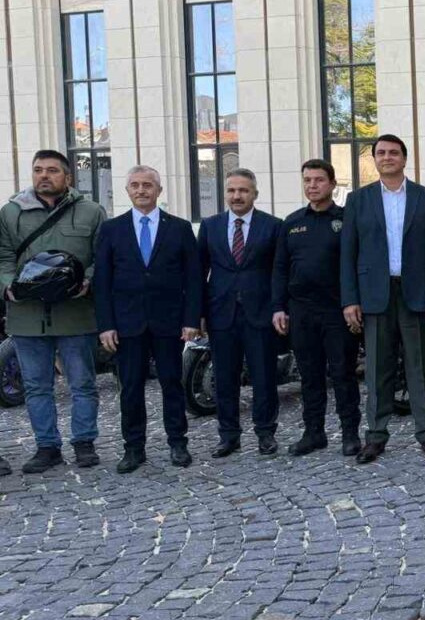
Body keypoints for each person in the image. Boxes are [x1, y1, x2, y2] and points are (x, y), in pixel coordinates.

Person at [340, 134, 425, 463]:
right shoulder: (358, 200)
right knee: (377, 369)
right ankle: (375, 435)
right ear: (374, 159)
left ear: (404, 158)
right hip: (374, 294)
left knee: (421, 368)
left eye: (393, 153)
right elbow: (348, 253)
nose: (387, 157)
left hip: (416, 293)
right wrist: (350, 300)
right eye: (381, 153)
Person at [0, 150, 107, 474]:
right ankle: (47, 447)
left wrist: (88, 281)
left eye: (52, 171)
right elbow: (3, 257)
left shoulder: (92, 212)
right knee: (36, 386)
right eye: (38, 170)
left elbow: (102, 258)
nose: (44, 176)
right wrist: (7, 286)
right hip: (27, 316)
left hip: (75, 313)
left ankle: (84, 443)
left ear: (68, 177)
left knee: (83, 383)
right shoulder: (11, 213)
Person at [93, 166, 198, 473]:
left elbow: (193, 279)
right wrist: (106, 325)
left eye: (148, 185)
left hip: (169, 322)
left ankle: (178, 443)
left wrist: (191, 318)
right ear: (127, 191)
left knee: (171, 384)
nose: (141, 190)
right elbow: (102, 281)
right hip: (127, 323)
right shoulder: (112, 229)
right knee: (131, 387)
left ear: (158, 190)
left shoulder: (178, 228)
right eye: (135, 185)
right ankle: (133, 448)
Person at [271, 159, 362, 458]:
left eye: (319, 180)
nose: (312, 186)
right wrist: (279, 307)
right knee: (309, 376)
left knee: (343, 374)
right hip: (301, 311)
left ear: (332, 184)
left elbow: (358, 265)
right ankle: (313, 432)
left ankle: (350, 433)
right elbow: (281, 269)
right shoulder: (292, 222)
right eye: (307, 180)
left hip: (337, 311)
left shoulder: (348, 219)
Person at [197, 167, 284, 458]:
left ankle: (265, 434)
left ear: (254, 194)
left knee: (264, 377)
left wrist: (278, 308)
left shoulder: (273, 226)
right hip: (221, 315)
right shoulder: (209, 226)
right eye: (232, 190)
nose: (237, 196)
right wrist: (197, 313)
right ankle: (228, 436)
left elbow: (279, 273)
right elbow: (200, 272)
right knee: (225, 378)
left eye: (243, 190)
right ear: (225, 194)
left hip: (260, 314)